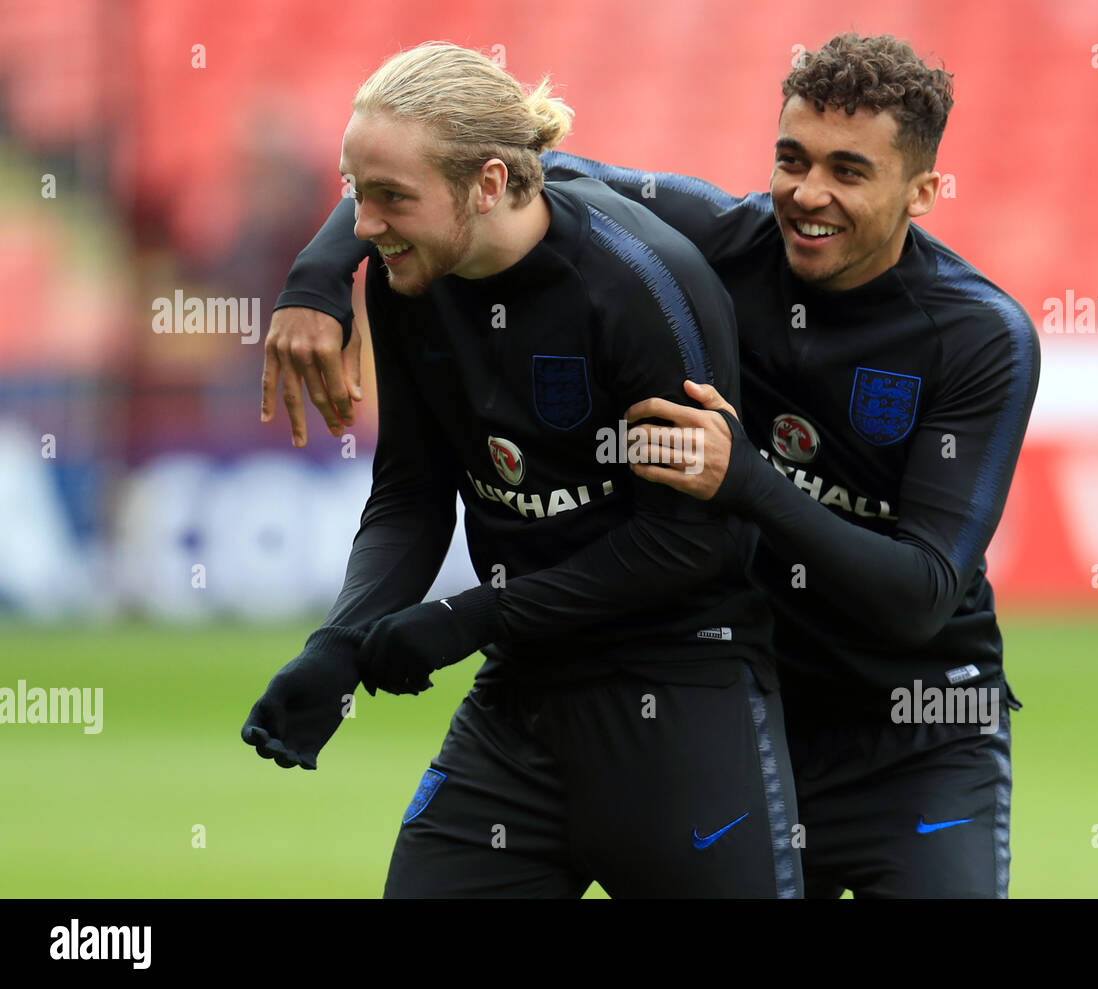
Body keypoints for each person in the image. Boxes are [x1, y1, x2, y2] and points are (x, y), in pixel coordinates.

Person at [265, 33, 1039, 899]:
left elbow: (921, 596)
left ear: (924, 191)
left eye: (848, 171)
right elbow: (471, 155)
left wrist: (746, 479)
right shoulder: (720, 236)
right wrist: (318, 276)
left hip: (910, 735)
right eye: (792, 158)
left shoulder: (979, 337)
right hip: (751, 703)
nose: (807, 194)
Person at [242, 41, 801, 899]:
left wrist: (471, 616)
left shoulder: (640, 289)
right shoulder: (407, 281)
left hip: (680, 685)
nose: (362, 229)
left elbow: (697, 544)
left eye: (392, 198)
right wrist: (341, 644)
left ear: (492, 183)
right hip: (522, 696)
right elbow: (411, 494)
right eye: (357, 194)